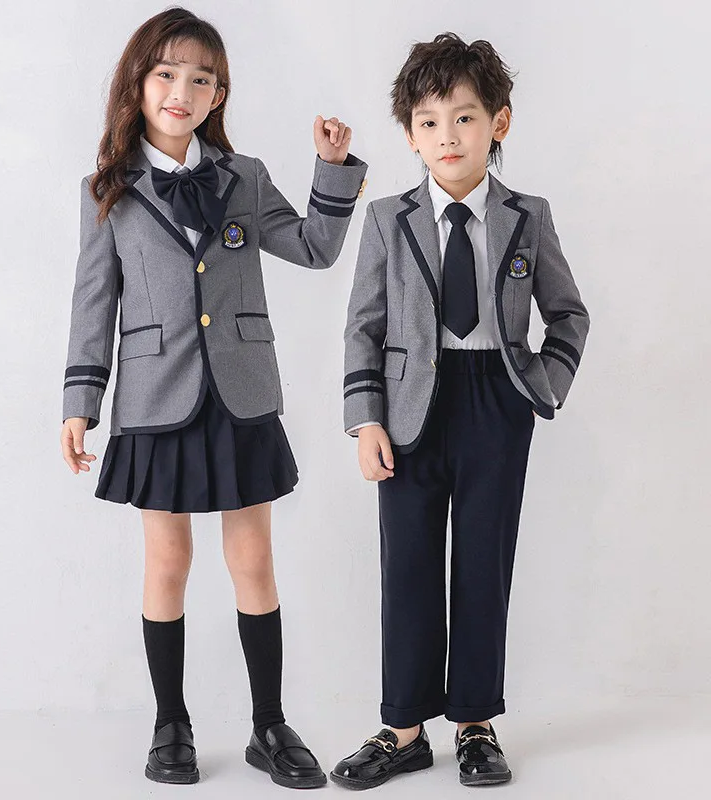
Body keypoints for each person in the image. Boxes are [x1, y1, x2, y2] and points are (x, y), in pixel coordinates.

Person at [59, 7, 367, 788]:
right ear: (138, 82)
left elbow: (314, 248)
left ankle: (270, 725)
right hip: (155, 396)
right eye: (166, 73)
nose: (182, 90)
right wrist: (80, 400)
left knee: (253, 559)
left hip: (241, 392)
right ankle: (171, 725)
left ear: (218, 95)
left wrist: (332, 169)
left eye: (201, 79)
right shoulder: (108, 190)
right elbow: (94, 301)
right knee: (168, 563)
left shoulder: (244, 177)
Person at [332, 32, 589, 789]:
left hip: (495, 400)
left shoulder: (527, 216)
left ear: (498, 123)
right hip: (409, 407)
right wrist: (366, 419)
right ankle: (404, 729)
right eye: (429, 121)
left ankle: (475, 723)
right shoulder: (389, 218)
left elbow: (568, 314)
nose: (448, 135)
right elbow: (363, 327)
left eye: (465, 117)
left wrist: (540, 386)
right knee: (407, 567)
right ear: (410, 134)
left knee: (483, 565)